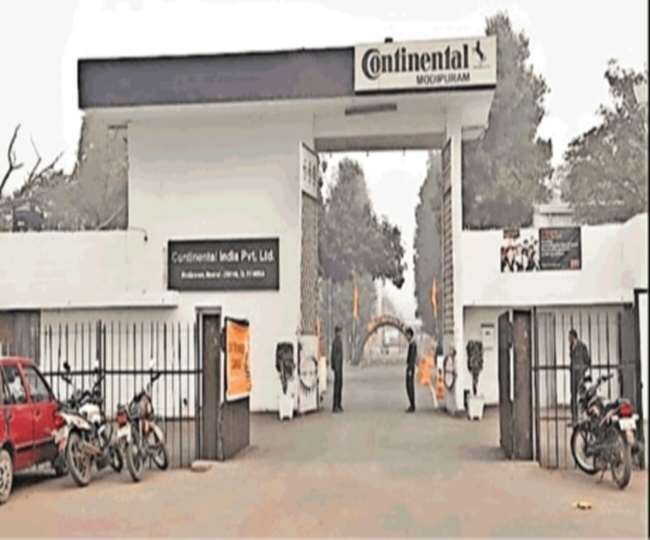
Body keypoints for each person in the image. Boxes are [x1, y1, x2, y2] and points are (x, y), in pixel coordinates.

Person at [569, 329, 591, 423]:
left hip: (579, 374)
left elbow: (587, 361)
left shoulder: (582, 346)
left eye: (569, 337)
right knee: (573, 395)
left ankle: (584, 416)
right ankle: (574, 417)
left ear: (574, 336)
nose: (568, 339)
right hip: (573, 374)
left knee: (582, 395)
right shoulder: (571, 346)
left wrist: (582, 370)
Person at [331, 325, 344, 413]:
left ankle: (339, 404)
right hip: (337, 367)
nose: (340, 333)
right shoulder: (335, 342)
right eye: (339, 332)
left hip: (339, 366)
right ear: (337, 332)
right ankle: (335, 406)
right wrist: (334, 366)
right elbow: (333, 354)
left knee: (339, 386)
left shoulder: (339, 341)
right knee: (337, 387)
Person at [405, 327, 417, 413]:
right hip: (410, 367)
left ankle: (412, 405)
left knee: (410, 386)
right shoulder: (412, 344)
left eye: (407, 335)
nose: (406, 336)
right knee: (409, 386)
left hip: (410, 367)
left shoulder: (413, 344)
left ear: (410, 334)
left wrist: (410, 369)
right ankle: (412, 404)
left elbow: (412, 357)